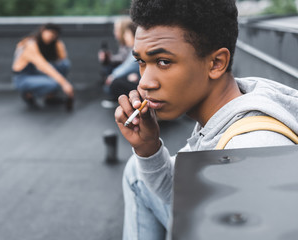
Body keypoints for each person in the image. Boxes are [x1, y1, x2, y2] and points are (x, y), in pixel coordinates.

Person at [114, 0, 298, 239]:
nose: (145, 82)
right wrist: (148, 149)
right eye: (141, 62)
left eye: (163, 62)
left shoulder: (254, 150)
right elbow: (187, 198)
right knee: (136, 171)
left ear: (216, 63)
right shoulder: (226, 107)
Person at [12, 23, 74, 110]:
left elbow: (63, 58)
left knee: (64, 64)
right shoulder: (29, 44)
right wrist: (64, 83)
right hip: (23, 78)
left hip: (37, 73)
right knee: (55, 83)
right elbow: (43, 66)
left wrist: (58, 43)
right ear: (42, 31)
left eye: (54, 35)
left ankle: (50, 97)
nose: (51, 37)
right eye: (50, 34)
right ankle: (28, 94)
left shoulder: (53, 43)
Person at [101, 21, 140, 108]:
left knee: (116, 83)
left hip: (138, 82)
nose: (125, 38)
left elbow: (128, 66)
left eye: (127, 35)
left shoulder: (136, 51)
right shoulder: (131, 48)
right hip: (134, 78)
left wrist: (113, 76)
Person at [98, 17, 131, 82]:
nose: (114, 32)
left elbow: (126, 61)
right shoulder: (123, 44)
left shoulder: (130, 45)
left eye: (117, 30)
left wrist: (110, 58)